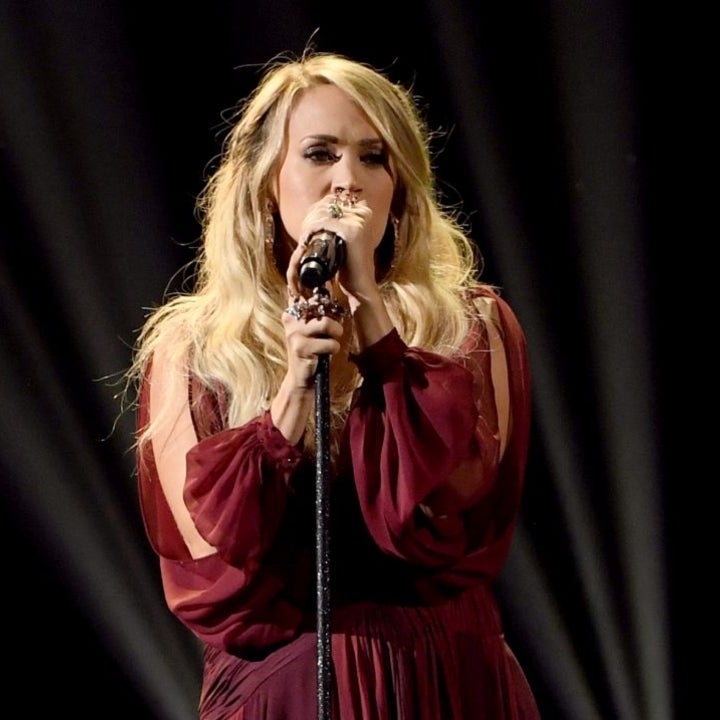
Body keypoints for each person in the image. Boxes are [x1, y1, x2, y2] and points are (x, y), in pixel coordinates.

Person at [125, 50, 541, 719]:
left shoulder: (470, 325)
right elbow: (217, 560)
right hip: (286, 691)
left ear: (400, 187)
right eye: (320, 153)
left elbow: (450, 519)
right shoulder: (194, 348)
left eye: (374, 157)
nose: (347, 180)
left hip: (449, 681)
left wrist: (371, 314)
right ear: (266, 180)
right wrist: (292, 392)